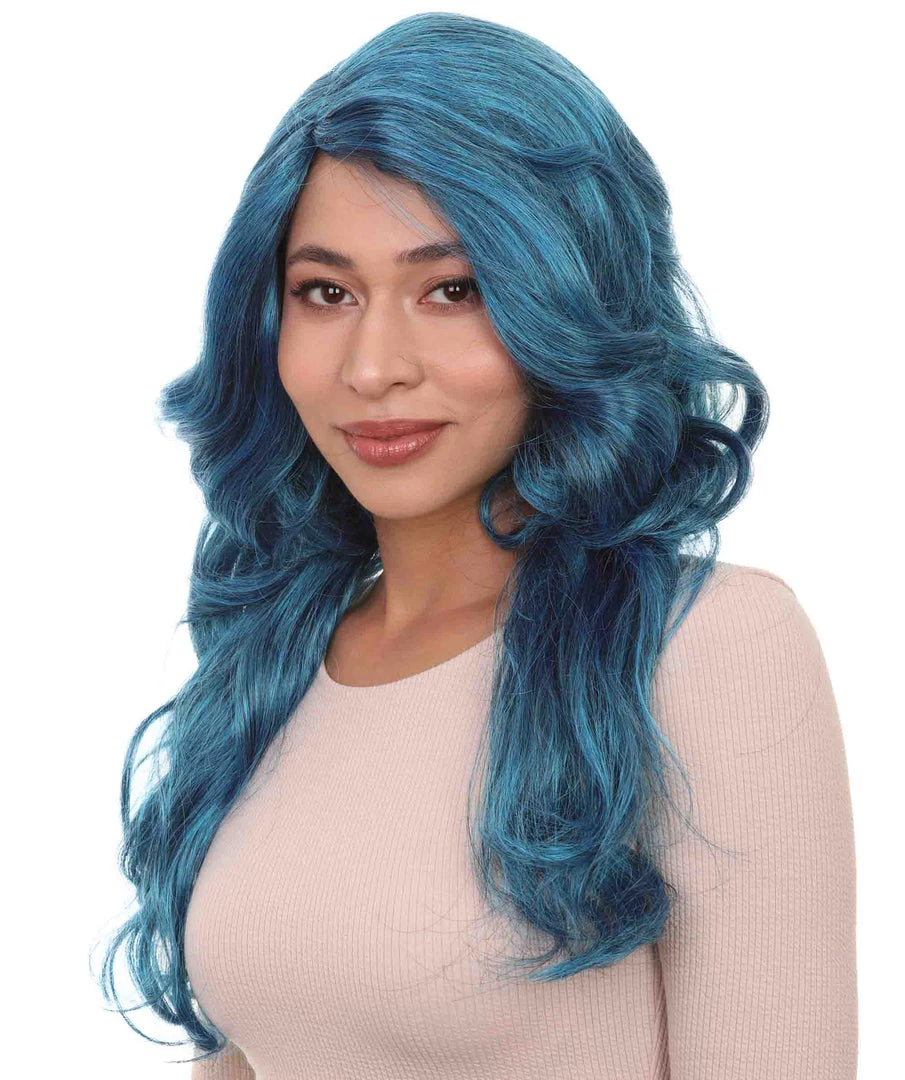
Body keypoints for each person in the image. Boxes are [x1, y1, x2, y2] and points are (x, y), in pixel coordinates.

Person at [95, 13, 857, 1079]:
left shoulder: (705, 646)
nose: (373, 367)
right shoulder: (273, 663)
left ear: (566, 302)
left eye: (450, 290)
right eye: (326, 292)